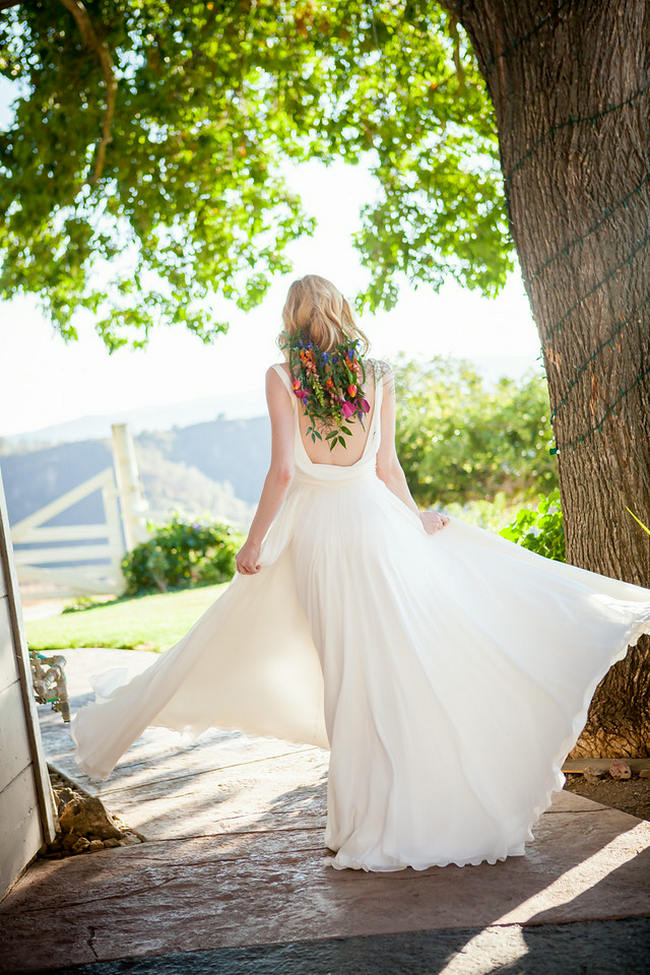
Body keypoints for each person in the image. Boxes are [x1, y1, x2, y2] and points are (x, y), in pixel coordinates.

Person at [71, 273, 650, 873]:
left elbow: (282, 473)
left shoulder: (281, 378)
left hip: (320, 536)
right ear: (342, 313)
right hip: (376, 526)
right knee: (396, 663)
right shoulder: (376, 375)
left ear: (293, 318)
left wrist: (254, 541)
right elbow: (387, 465)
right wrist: (411, 520)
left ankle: (361, 824)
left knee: (346, 676)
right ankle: (411, 812)